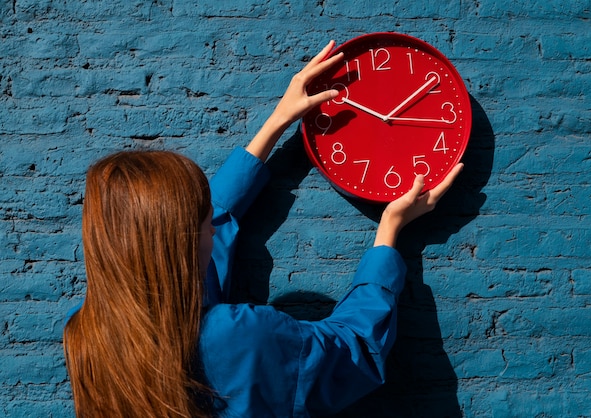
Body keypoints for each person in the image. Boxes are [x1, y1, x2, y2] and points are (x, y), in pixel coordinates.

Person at [63, 40, 464, 417]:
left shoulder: (87, 336)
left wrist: (277, 122)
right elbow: (354, 349)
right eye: (203, 226)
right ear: (180, 241)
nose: (214, 231)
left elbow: (215, 214)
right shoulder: (242, 335)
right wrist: (389, 231)